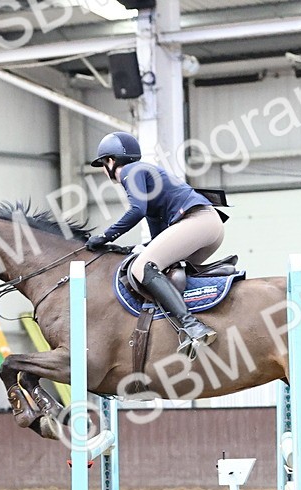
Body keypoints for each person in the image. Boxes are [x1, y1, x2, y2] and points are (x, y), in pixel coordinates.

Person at [85, 131, 223, 358]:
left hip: (198, 222)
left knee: (142, 268)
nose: (103, 169)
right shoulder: (148, 179)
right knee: (161, 270)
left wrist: (106, 236)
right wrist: (125, 249)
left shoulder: (130, 171)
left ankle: (192, 326)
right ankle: (181, 326)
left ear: (111, 161)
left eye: (103, 163)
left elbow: (136, 210)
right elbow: (157, 237)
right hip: (207, 226)